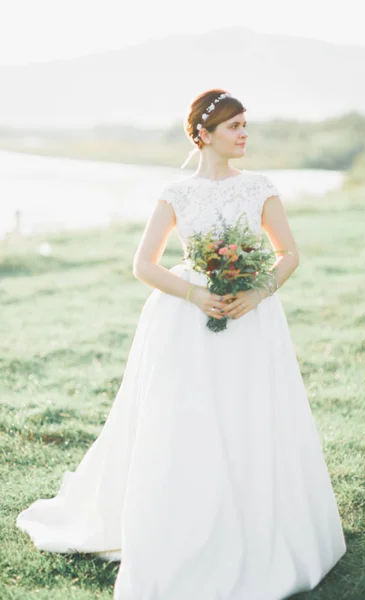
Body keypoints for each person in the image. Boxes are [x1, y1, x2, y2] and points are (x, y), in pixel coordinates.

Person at [16, 88, 346, 599]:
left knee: (249, 413)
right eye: (233, 127)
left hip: (251, 318)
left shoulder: (259, 187)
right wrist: (194, 293)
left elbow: (288, 253)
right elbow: (143, 264)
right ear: (204, 135)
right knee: (185, 418)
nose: (243, 134)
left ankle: (256, 521)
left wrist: (257, 293)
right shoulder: (176, 192)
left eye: (244, 125)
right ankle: (184, 520)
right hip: (185, 321)